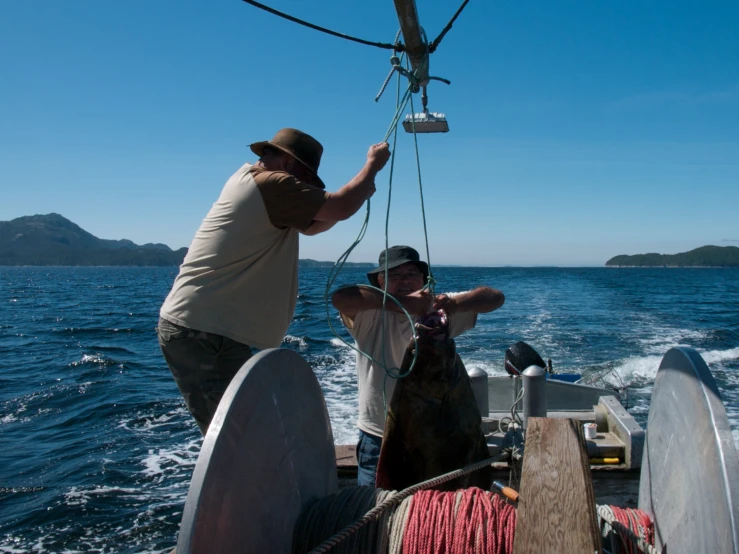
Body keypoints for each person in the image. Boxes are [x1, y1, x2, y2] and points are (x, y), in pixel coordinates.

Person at [158, 128, 391, 434]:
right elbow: (339, 206)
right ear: (288, 163)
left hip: (210, 332)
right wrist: (372, 166)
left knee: (249, 434)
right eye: (307, 178)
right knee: (239, 440)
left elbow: (313, 225)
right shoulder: (271, 183)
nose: (305, 186)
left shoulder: (254, 183)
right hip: (202, 333)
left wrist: (361, 190)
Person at [331, 245, 505, 487]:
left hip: (438, 437)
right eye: (394, 275)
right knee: (379, 514)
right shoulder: (369, 314)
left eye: (412, 274)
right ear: (380, 282)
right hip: (379, 438)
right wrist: (402, 303)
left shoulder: (437, 311)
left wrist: (454, 304)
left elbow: (495, 297)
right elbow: (340, 297)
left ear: (423, 280)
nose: (405, 280)